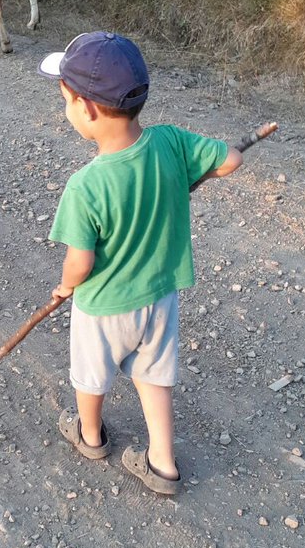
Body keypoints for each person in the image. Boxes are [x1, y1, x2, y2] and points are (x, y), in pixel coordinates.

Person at [39, 31, 243, 495]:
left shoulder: (86, 186)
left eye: (66, 101)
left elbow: (80, 262)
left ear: (87, 108)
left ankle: (90, 436)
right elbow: (230, 159)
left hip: (104, 306)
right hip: (160, 297)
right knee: (154, 378)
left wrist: (65, 287)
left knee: (92, 375)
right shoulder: (170, 142)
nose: (67, 110)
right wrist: (194, 172)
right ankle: (162, 463)